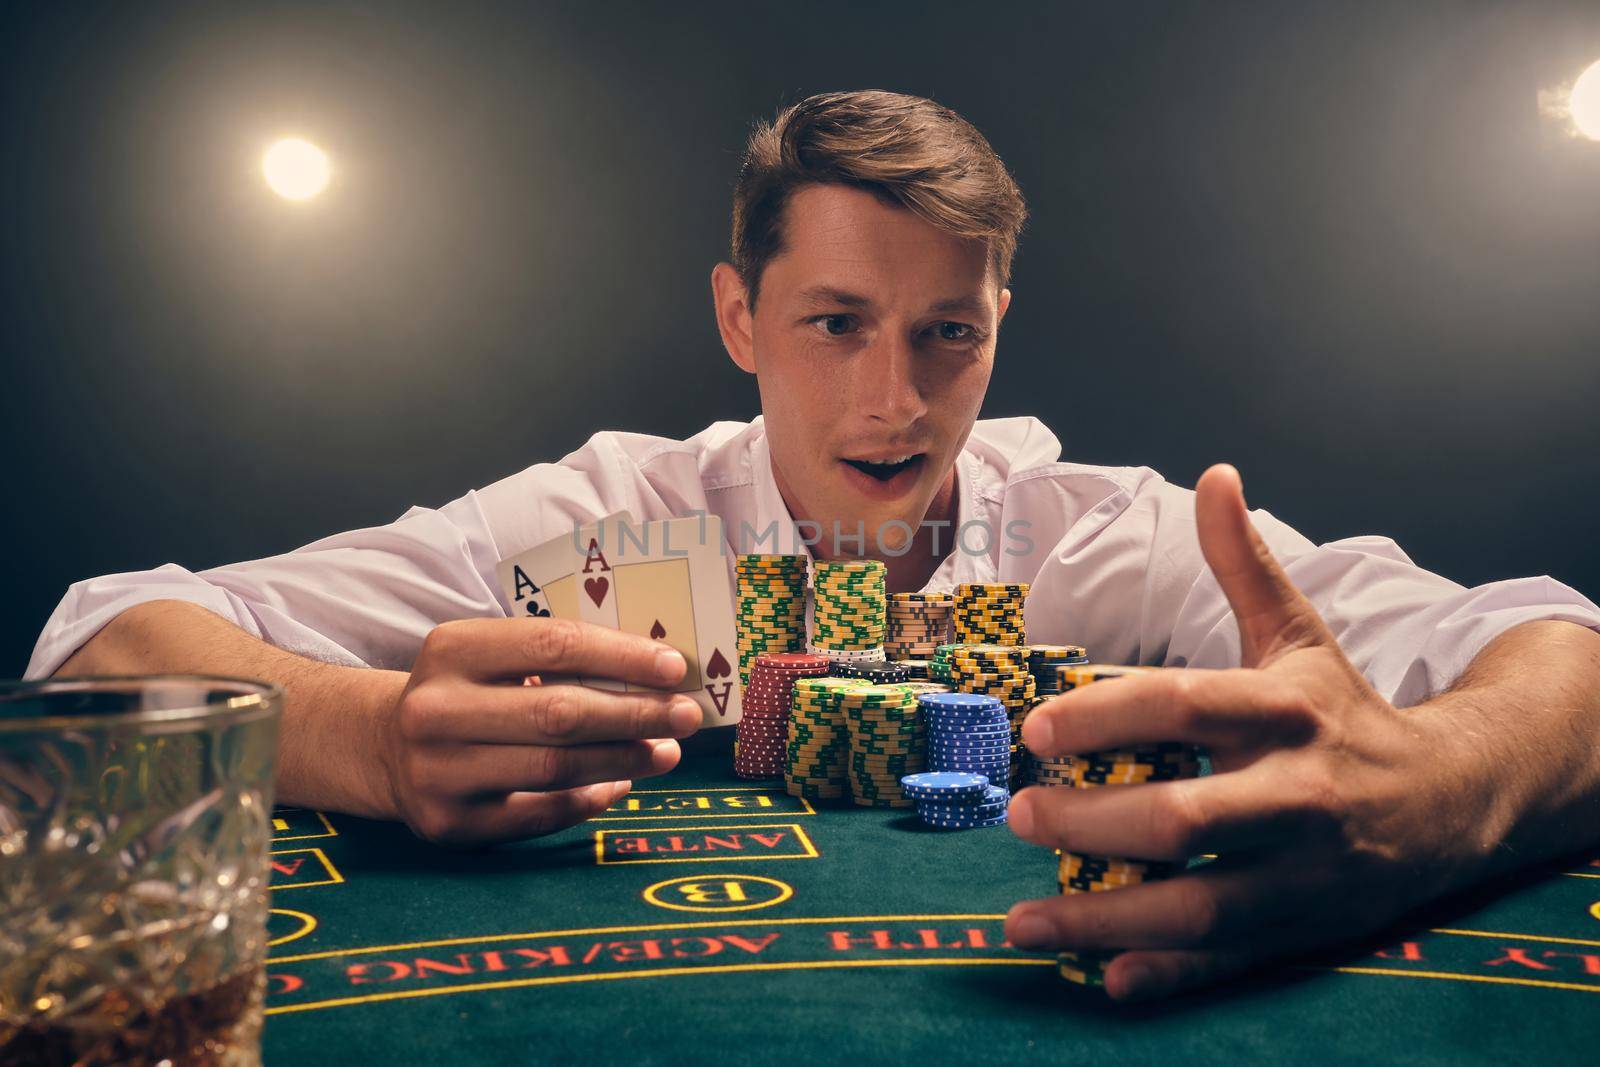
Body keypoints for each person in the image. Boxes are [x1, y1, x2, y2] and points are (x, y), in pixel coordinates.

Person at [29, 90, 1600, 1002]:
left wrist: (1447, 787)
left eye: (946, 336)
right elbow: (105, 632)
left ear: (997, 335)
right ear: (738, 319)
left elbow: (1561, 649)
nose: (892, 401)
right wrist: (366, 735)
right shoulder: (612, 513)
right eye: (835, 324)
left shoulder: (1110, 532)